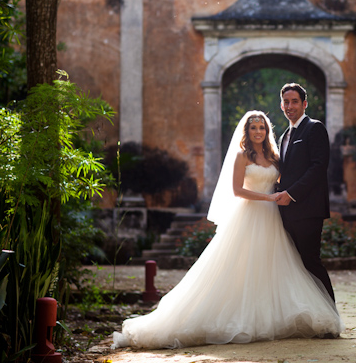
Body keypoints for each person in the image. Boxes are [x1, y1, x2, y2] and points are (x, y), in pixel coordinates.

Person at [112, 111, 343, 350]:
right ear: (247, 131)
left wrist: (286, 196)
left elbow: (290, 176)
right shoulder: (242, 156)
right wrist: (267, 197)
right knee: (240, 266)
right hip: (250, 214)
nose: (258, 132)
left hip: (273, 217)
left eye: (262, 128)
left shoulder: (274, 156)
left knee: (273, 265)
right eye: (253, 128)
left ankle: (271, 315)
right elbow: (237, 191)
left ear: (267, 131)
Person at [275, 83, 335, 303]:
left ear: (304, 104)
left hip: (308, 210)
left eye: (295, 101)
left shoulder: (314, 128)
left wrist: (291, 194)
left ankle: (330, 315)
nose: (290, 106)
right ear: (281, 105)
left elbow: (318, 167)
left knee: (311, 262)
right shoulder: (284, 136)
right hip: (286, 212)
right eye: (286, 102)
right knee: (294, 266)